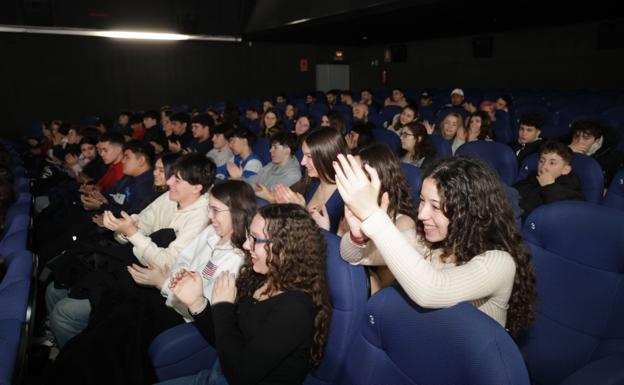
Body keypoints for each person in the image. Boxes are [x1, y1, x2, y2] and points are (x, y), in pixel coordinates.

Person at [49, 180, 256, 385]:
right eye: (209, 209)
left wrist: (163, 283)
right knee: (106, 323)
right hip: (164, 298)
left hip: (178, 316)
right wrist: (170, 279)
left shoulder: (236, 258)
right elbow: (183, 260)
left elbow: (201, 310)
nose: (209, 216)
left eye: (215, 210)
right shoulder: (211, 232)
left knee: (108, 342)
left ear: (236, 211)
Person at [334, 155, 536, 336]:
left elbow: (431, 289)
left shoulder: (499, 262)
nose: (421, 215)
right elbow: (353, 255)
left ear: (467, 213)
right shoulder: (426, 242)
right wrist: (359, 236)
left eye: (435, 206)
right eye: (421, 201)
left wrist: (374, 217)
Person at [156, 203, 331, 385]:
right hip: (217, 376)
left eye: (256, 239)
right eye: (249, 236)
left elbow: (240, 376)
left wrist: (223, 307)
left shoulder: (295, 310)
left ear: (285, 249)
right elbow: (225, 341)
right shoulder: (258, 278)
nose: (247, 245)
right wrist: (197, 303)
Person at [274, 129, 347, 234]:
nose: (303, 162)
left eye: (309, 156)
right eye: (303, 155)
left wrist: (302, 212)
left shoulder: (344, 197)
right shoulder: (311, 183)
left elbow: (338, 245)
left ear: (326, 156)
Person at [514, 141, 585, 221]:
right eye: (541, 161)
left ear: (565, 170)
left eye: (552, 163)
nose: (544, 167)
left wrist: (549, 187)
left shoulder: (571, 190)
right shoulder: (533, 178)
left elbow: (566, 215)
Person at [568, 119, 624, 186]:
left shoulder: (614, 158)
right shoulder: (565, 148)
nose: (579, 141)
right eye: (576, 136)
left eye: (586, 138)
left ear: (597, 141)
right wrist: (566, 153)